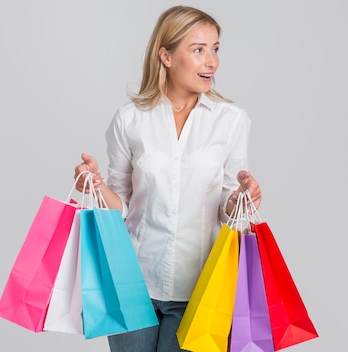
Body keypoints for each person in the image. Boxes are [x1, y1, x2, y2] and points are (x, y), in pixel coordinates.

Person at [73, 5, 262, 352]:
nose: (212, 62)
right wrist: (97, 186)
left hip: (199, 287)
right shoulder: (130, 119)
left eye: (215, 49)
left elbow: (226, 202)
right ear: (166, 56)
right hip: (132, 282)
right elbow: (121, 203)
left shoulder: (232, 121)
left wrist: (240, 197)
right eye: (198, 50)